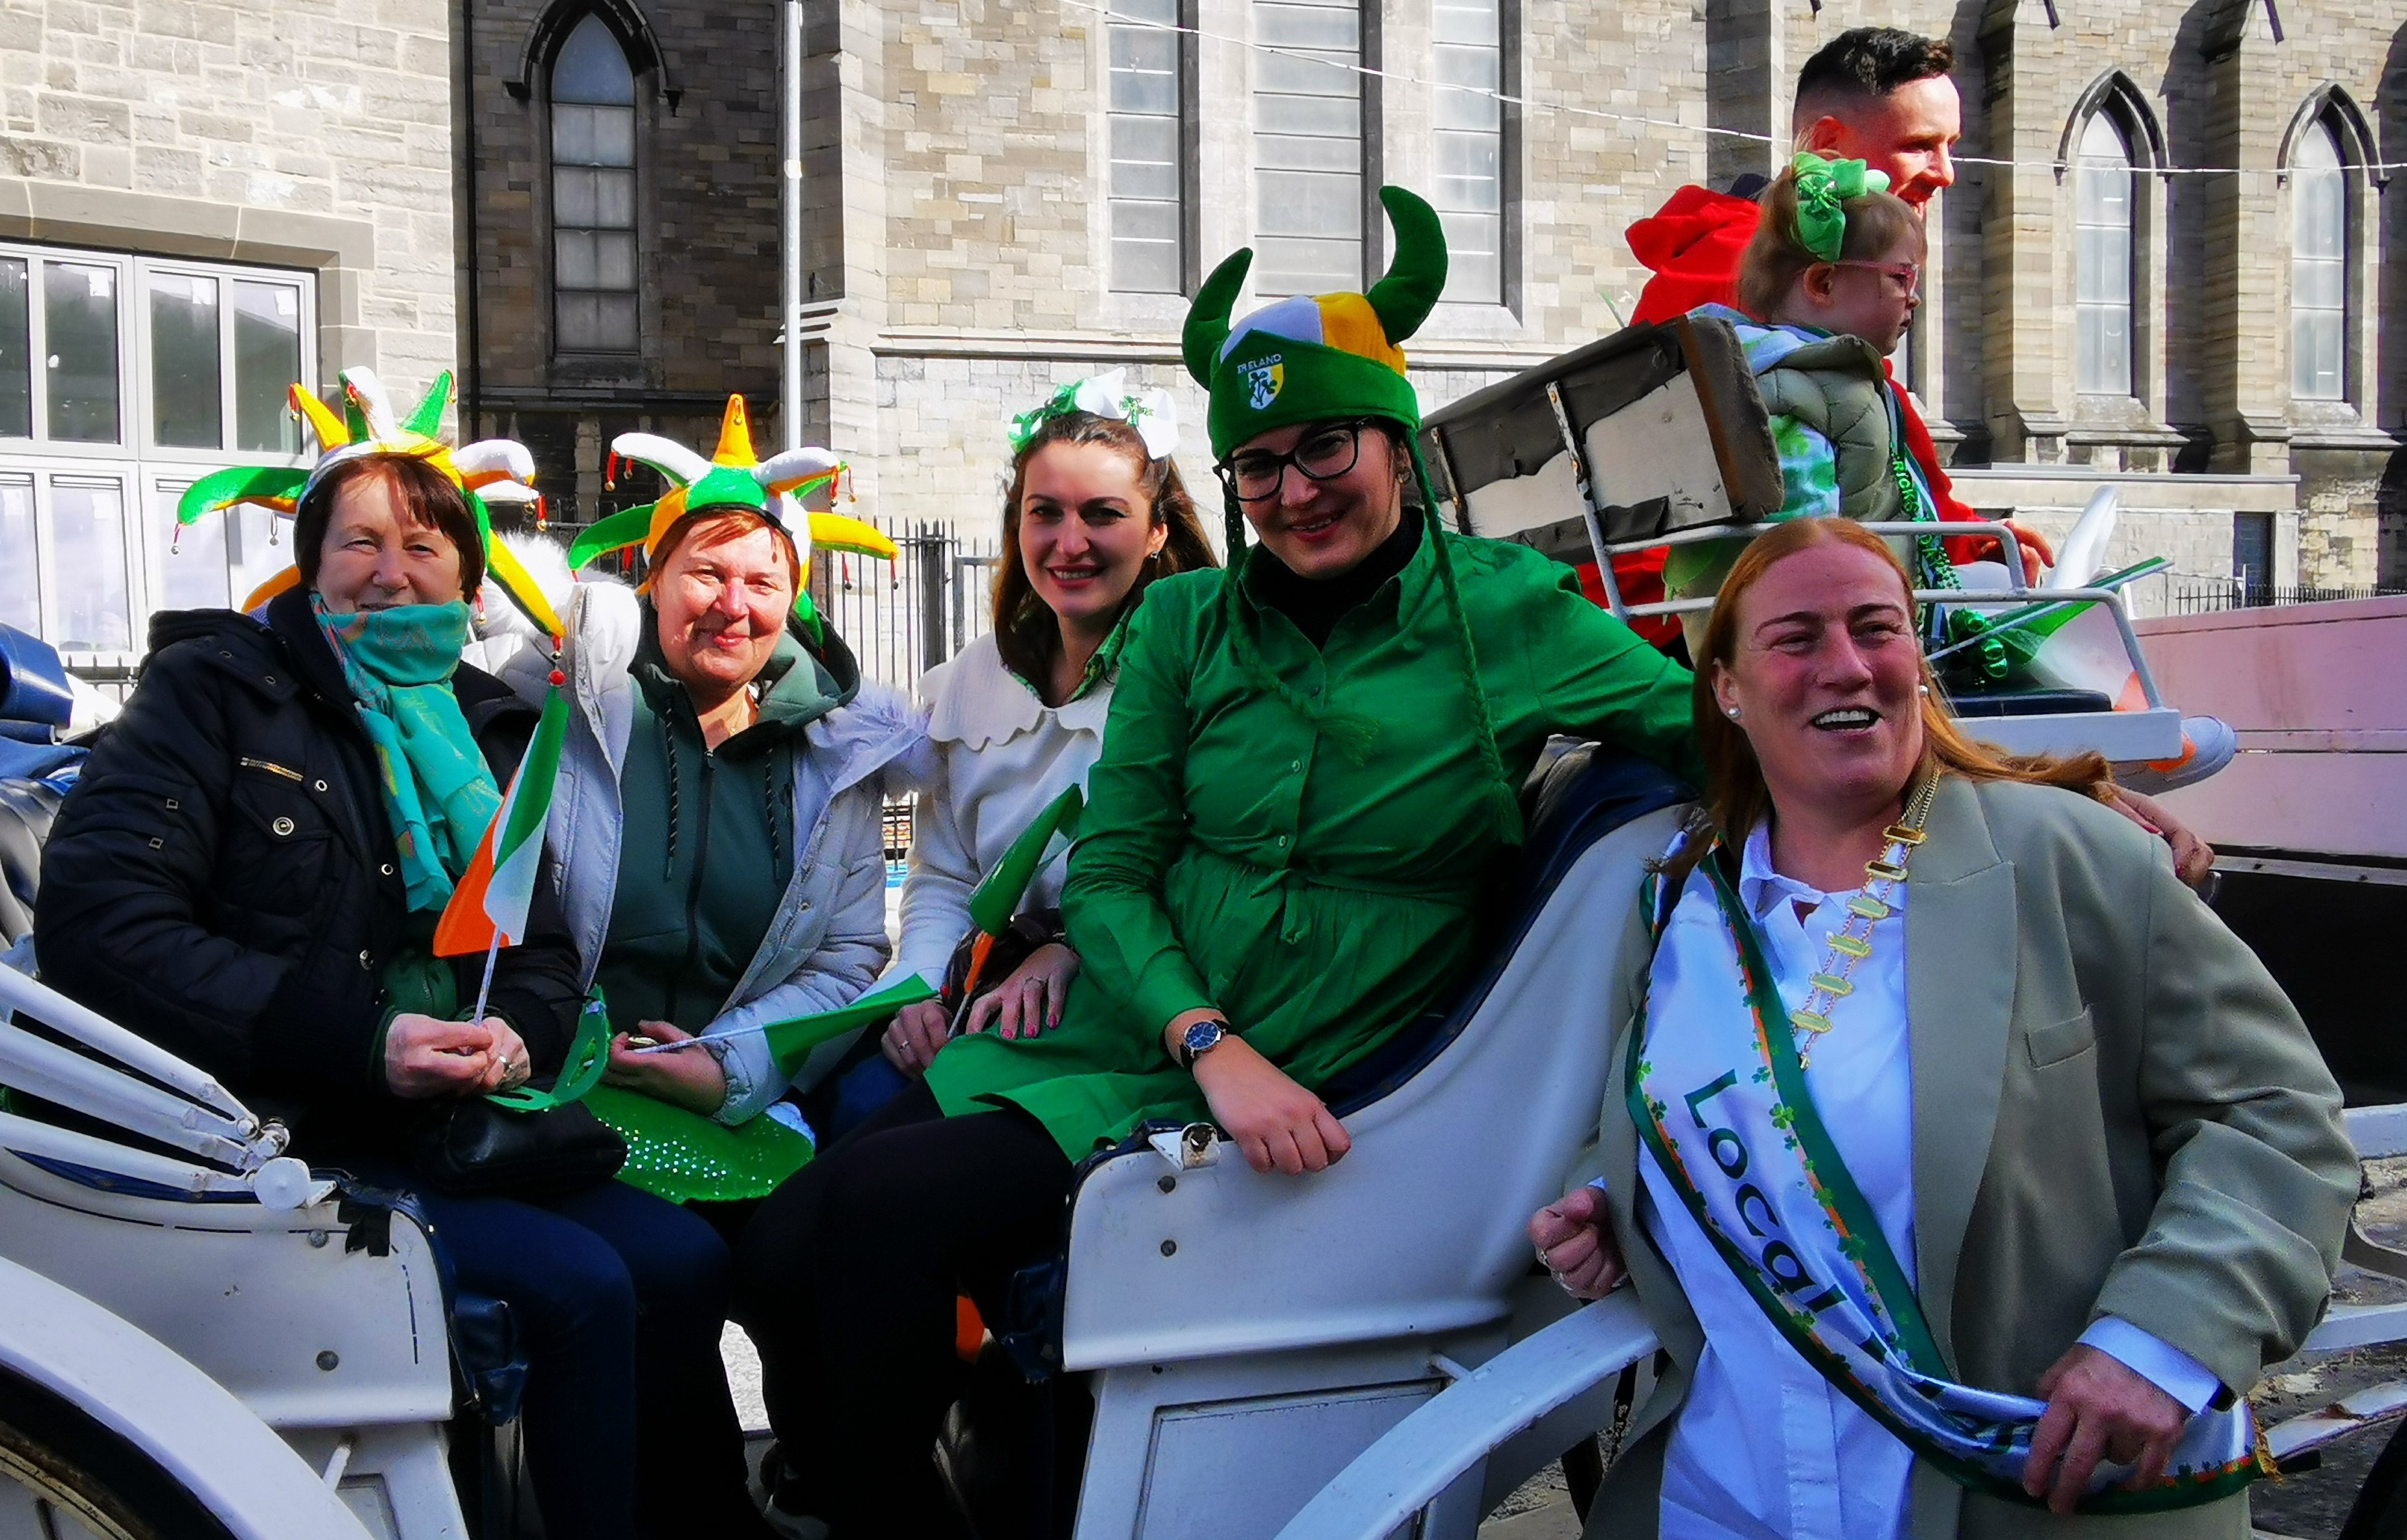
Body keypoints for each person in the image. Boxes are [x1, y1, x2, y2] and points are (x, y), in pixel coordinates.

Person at [732, 187, 1703, 1538]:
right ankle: (918, 1488)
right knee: (779, 1237)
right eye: (1260, 466)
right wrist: (1204, 1039)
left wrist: (1981, 787)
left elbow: (1716, 727)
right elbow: (1117, 868)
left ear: (1393, 443)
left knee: (871, 1223)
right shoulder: (1186, 619)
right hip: (1147, 1030)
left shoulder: (1507, 616)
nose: (1295, 490)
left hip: (1328, 1058)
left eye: (1325, 450)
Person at [33, 369, 758, 1540]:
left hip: (462, 1115)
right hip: (275, 1127)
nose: (391, 569)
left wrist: (518, 1024)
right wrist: (368, 1040)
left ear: (465, 578)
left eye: (424, 546)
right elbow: (102, 928)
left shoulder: (489, 721)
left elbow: (542, 940)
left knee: (677, 1260)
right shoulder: (212, 691)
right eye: (359, 542)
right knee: (579, 1288)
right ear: (312, 565)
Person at [1529, 516, 2354, 1539]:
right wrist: (1611, 1197)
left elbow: (2278, 1117)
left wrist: (2164, 1337)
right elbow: (1658, 1106)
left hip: (2001, 1497)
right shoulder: (1677, 901)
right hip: (1729, 1491)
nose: (1846, 666)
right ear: (1727, 688)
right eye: (1795, 639)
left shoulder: (2069, 858)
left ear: (1916, 659)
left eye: (1877, 629)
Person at [513, 399, 922, 1132]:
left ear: (791, 598)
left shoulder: (842, 760)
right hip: (547, 1085)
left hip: (726, 1112)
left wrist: (726, 1064)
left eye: (762, 584)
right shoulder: (558, 696)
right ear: (653, 574)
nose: (732, 606)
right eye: (705, 572)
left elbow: (844, 961)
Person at [1611, 27, 2043, 628]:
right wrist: (1966, 545)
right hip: (1725, 617)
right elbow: (1808, 519)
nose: (1945, 173)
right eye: (1920, 144)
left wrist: (1972, 537)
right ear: (1831, 147)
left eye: (1951, 147)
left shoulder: (1764, 270)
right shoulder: (1752, 273)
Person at [873, 370, 1217, 1096]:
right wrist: (913, 993)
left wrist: (1068, 945)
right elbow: (942, 876)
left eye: (1102, 514)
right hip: (975, 1003)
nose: (1070, 543)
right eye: (1045, 513)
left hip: (1123, 1019)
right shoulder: (973, 678)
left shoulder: (1198, 679)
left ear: (1157, 529)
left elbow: (1198, 872)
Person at [1660, 153, 1928, 654]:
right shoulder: (1788, 391)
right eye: (1901, 278)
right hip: (1816, 648)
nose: (1914, 298)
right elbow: (1797, 552)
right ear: (1823, 283)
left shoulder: (1818, 377)